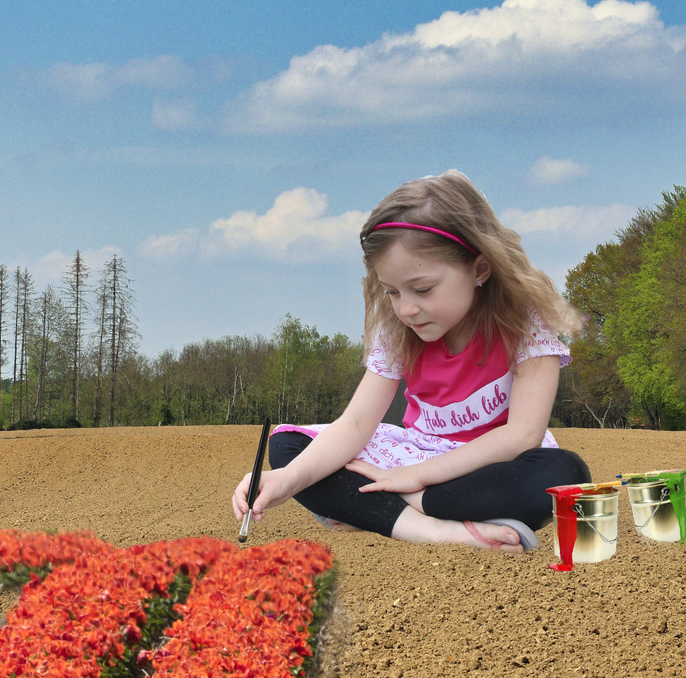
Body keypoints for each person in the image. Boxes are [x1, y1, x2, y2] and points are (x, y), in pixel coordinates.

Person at [230, 171, 591, 553]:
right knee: (288, 447)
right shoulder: (397, 329)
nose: (406, 309)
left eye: (422, 289)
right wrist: (285, 481)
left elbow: (521, 436)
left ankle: (376, 509)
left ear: (479, 269)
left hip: (490, 464)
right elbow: (355, 423)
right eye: (391, 292)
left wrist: (413, 479)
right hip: (416, 451)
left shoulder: (524, 321)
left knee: (566, 476)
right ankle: (434, 530)